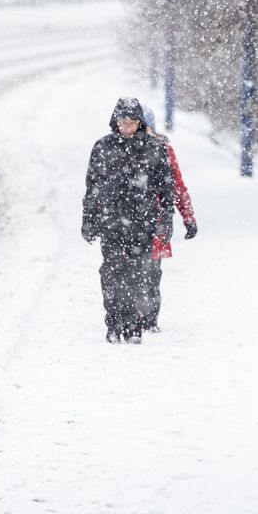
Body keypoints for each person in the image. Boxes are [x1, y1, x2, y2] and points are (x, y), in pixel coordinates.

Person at [82, 96, 174, 344]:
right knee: (111, 274)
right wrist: (89, 220)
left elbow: (166, 190)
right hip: (110, 223)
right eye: (123, 122)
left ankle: (134, 324)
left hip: (142, 223)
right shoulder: (102, 148)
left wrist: (166, 221)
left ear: (140, 122)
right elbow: (93, 187)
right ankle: (114, 322)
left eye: (132, 122)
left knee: (136, 275)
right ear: (116, 122)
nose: (127, 127)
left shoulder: (154, 149)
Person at [140, 103, 197, 332]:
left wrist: (188, 217)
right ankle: (134, 314)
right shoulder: (119, 149)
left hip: (156, 220)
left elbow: (177, 186)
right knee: (132, 270)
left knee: (152, 272)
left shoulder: (162, 150)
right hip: (133, 221)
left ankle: (149, 318)